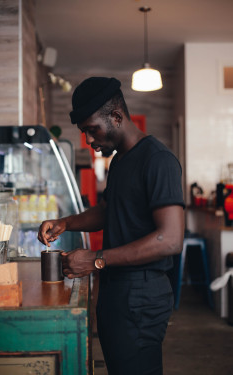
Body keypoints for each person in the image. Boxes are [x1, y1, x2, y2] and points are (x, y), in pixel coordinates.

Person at [38, 77, 185, 375]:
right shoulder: (120, 161)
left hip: (142, 295)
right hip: (117, 290)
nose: (89, 140)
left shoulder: (158, 160)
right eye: (84, 132)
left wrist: (95, 259)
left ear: (117, 116)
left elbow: (170, 239)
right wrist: (65, 223)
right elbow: (108, 211)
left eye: (92, 129)